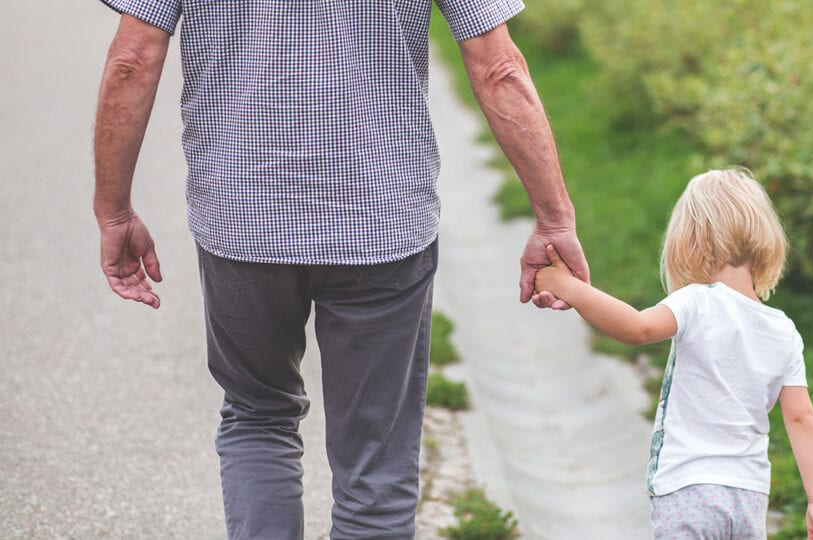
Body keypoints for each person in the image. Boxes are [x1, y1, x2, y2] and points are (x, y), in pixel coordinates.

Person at [93, 1, 588, 538]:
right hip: (382, 220)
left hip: (242, 218)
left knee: (258, 418)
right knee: (376, 465)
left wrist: (113, 209)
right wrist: (554, 217)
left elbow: (133, 60)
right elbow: (499, 67)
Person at [534, 168, 813, 540]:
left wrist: (569, 287)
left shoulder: (697, 302)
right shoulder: (783, 329)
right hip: (749, 496)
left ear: (692, 241)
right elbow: (801, 417)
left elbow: (636, 327)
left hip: (689, 488)